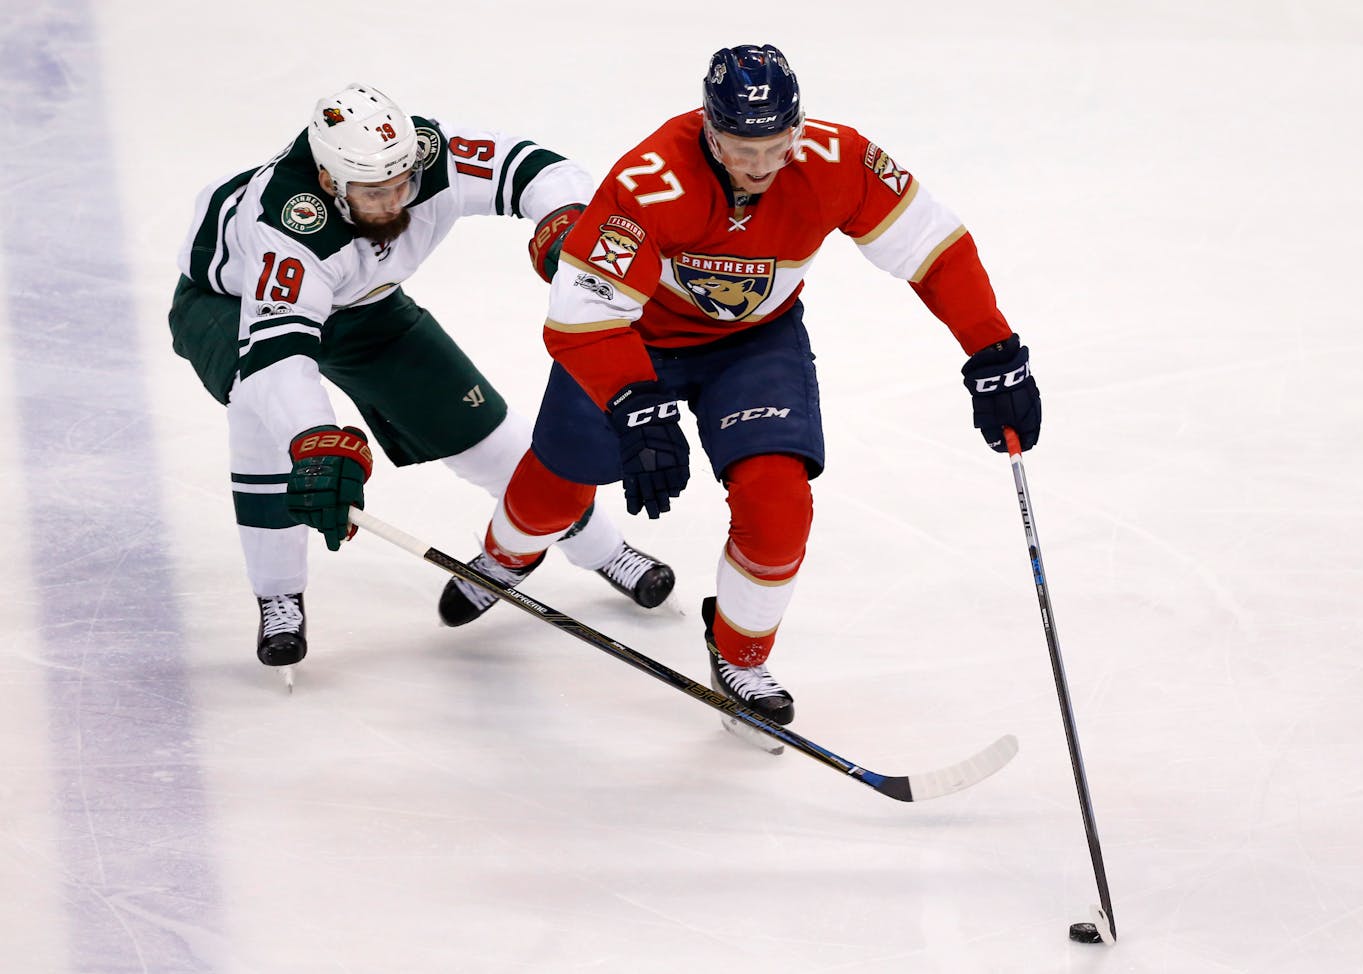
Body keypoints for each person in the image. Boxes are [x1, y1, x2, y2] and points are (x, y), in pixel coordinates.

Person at [471, 45, 1041, 736]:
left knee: (778, 505)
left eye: (778, 145)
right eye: (744, 149)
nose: (764, 166)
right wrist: (633, 403)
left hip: (754, 345)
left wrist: (993, 350)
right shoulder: (648, 180)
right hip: (634, 340)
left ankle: (739, 655)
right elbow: (582, 315)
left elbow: (933, 247)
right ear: (711, 131)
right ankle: (505, 556)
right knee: (561, 481)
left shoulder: (838, 159)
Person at [168, 82, 675, 670]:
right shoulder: (287, 225)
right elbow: (276, 356)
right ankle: (279, 593)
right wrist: (315, 439)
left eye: (403, 184)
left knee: (486, 434)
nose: (396, 202)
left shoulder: (428, 159)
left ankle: (603, 549)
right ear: (331, 183)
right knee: (269, 424)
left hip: (364, 302)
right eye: (375, 192)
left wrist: (565, 219)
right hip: (229, 309)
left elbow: (533, 166)